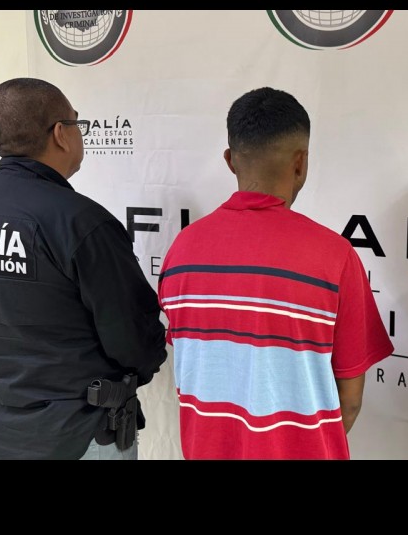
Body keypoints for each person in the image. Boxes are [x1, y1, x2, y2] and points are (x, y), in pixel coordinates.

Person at [158, 86, 394, 459]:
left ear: (230, 160)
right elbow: (349, 402)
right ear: (301, 162)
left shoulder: (181, 252)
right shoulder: (334, 256)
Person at [0, 77, 168, 460]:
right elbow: (133, 337)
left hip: (0, 430)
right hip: (82, 434)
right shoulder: (82, 222)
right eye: (78, 123)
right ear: (61, 134)